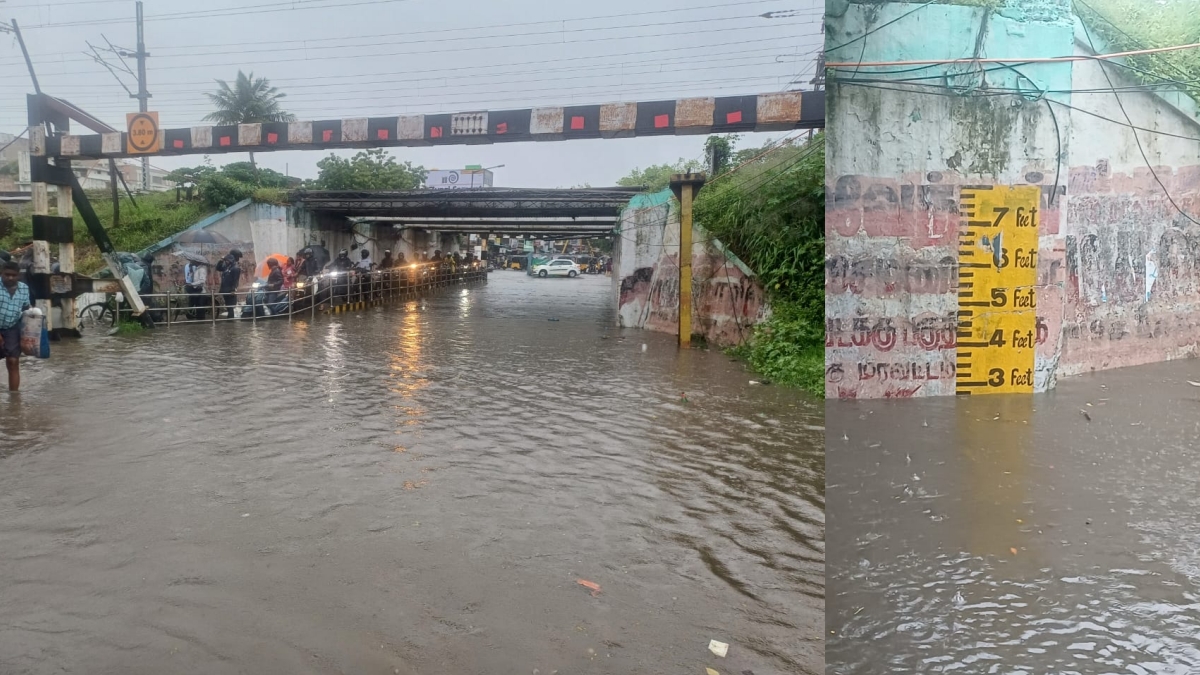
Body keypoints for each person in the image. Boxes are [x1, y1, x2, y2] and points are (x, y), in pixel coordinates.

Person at [0, 260, 31, 392]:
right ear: (1, 274)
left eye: (13, 275)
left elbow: (26, 309)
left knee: (13, 362)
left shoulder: (24, 288)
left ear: (18, 275)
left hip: (12, 327)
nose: (10, 278)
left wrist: (27, 335)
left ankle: (14, 399)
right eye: (7, 275)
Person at [218, 249, 243, 319]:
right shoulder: (227, 267)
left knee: (231, 306)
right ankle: (230, 318)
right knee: (228, 305)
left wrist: (233, 289)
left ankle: (230, 320)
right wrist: (221, 260)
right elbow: (219, 268)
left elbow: (235, 280)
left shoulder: (235, 268)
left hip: (230, 290)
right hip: (225, 288)